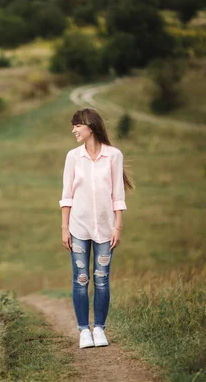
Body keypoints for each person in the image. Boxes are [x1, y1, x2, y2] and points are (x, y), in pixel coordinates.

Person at [59, 108, 133, 349]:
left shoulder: (114, 155)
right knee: (81, 279)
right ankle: (83, 331)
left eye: (77, 125)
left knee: (101, 279)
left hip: (105, 229)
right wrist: (64, 228)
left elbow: (118, 195)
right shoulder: (73, 157)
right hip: (78, 227)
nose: (74, 130)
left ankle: (99, 328)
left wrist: (117, 227)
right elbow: (67, 195)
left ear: (90, 126)